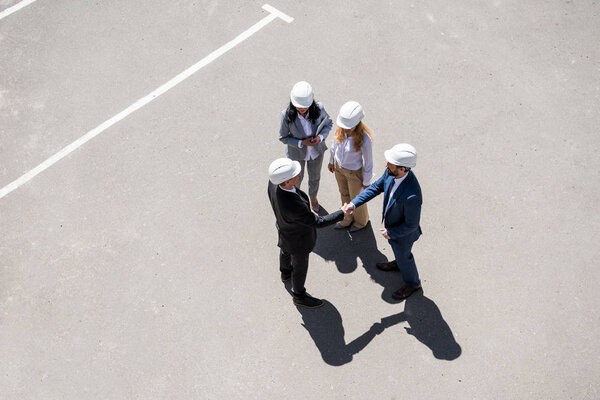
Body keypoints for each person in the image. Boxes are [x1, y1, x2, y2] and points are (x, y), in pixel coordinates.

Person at [343, 144, 423, 300]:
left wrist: (391, 233)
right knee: (400, 255)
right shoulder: (390, 173)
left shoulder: (412, 195)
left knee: (404, 255)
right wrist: (353, 204)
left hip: (402, 234)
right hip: (393, 230)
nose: (386, 165)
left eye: (391, 164)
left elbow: (411, 225)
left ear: (403, 169)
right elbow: (375, 188)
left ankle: (413, 283)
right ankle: (399, 263)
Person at [267, 158, 344, 308]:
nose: (300, 174)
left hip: (284, 229)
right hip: (299, 241)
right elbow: (318, 222)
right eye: (295, 174)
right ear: (288, 182)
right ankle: (299, 297)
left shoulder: (273, 183)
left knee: (284, 250)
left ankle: (285, 273)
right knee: (300, 268)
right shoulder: (293, 205)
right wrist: (342, 213)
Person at [278, 81, 333, 212]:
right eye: (298, 106)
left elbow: (328, 123)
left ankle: (313, 198)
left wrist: (320, 137)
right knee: (296, 180)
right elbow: (283, 137)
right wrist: (301, 143)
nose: (302, 109)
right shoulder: (286, 115)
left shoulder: (319, 108)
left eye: (305, 106)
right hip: (296, 154)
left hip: (316, 152)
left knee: (315, 177)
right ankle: (297, 200)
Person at [327, 101, 374, 232]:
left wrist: (366, 182)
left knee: (357, 200)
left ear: (357, 123)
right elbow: (334, 147)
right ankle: (346, 219)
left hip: (354, 173)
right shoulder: (340, 130)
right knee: (344, 194)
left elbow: (369, 162)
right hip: (339, 169)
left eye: (350, 126)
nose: (346, 128)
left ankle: (361, 222)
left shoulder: (365, 139)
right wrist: (331, 161)